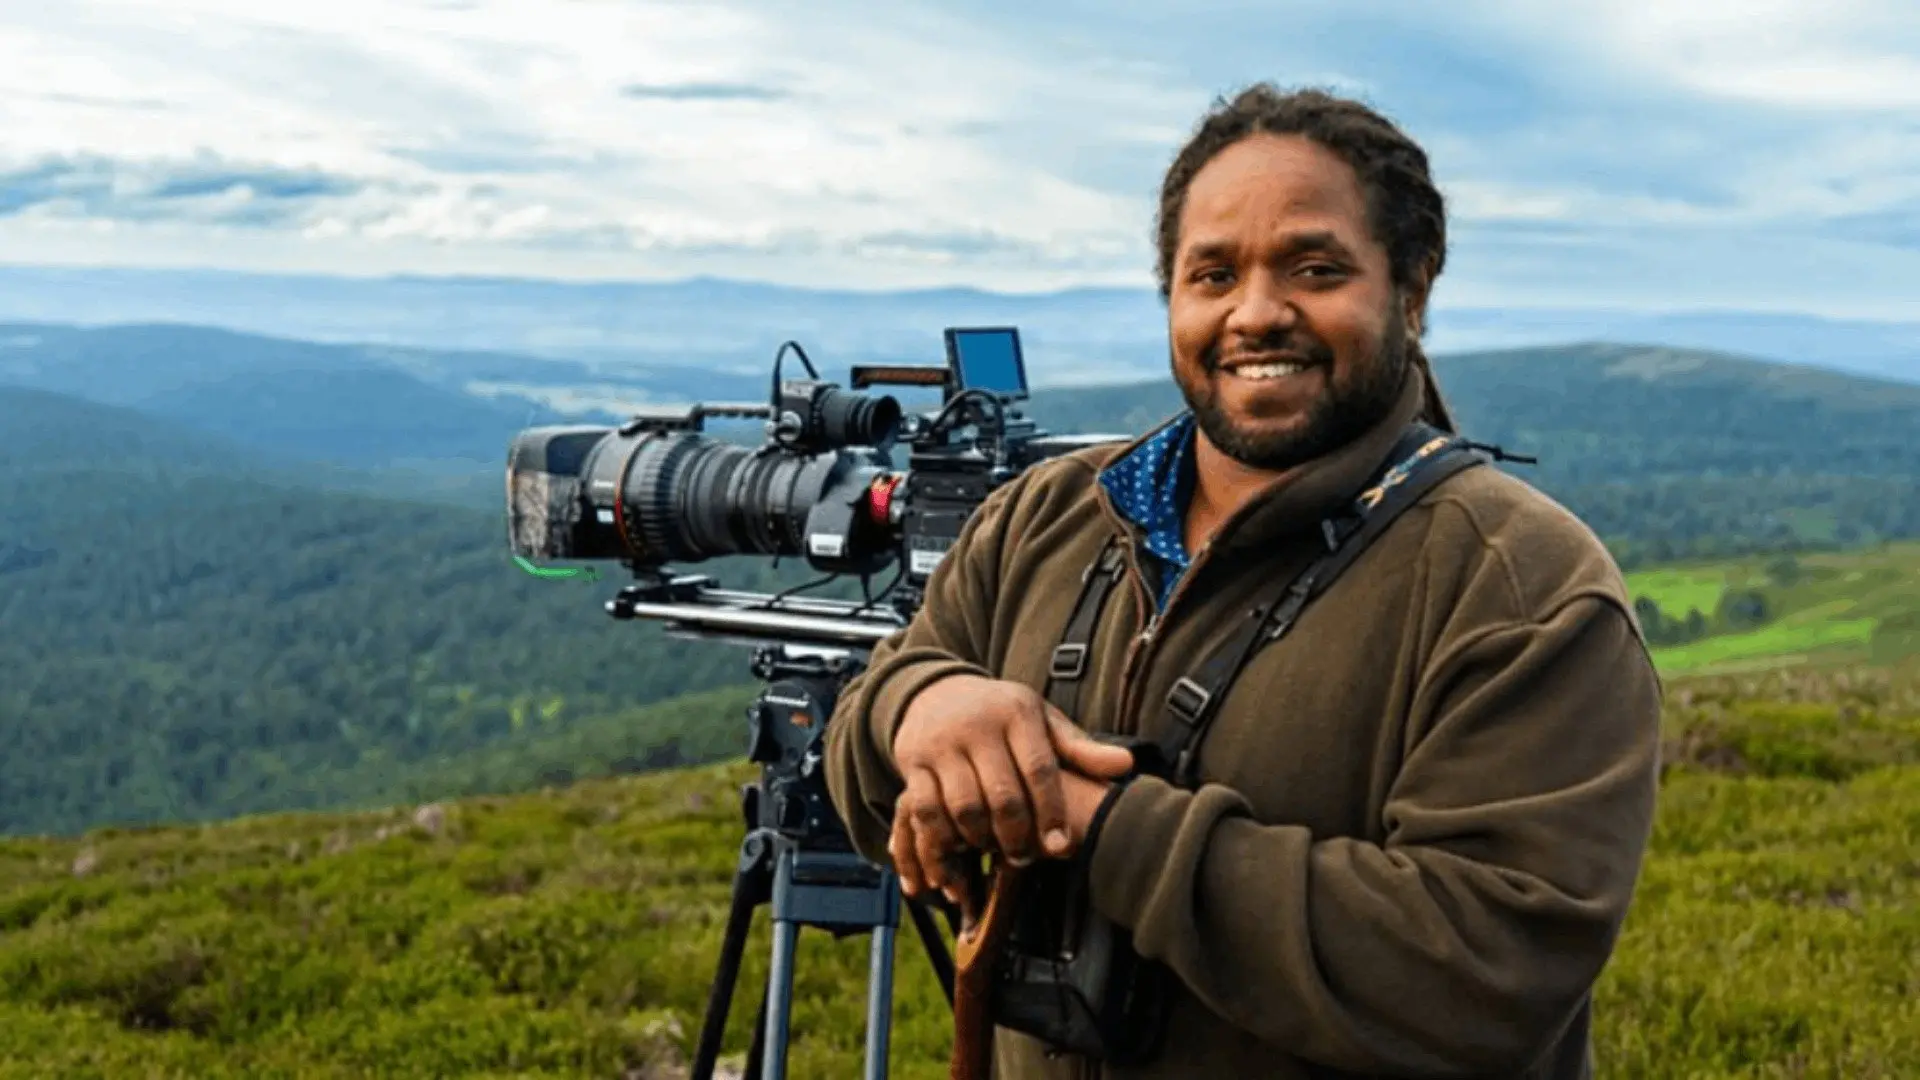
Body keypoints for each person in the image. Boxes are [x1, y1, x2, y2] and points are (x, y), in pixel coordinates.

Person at [823, 82, 1662, 1079]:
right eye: (1211, 275)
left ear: (1413, 287)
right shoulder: (1044, 517)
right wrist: (918, 708)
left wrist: (1100, 824)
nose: (1256, 314)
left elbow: (1484, 975)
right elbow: (868, 760)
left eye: (1314, 268)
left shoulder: (1519, 588)